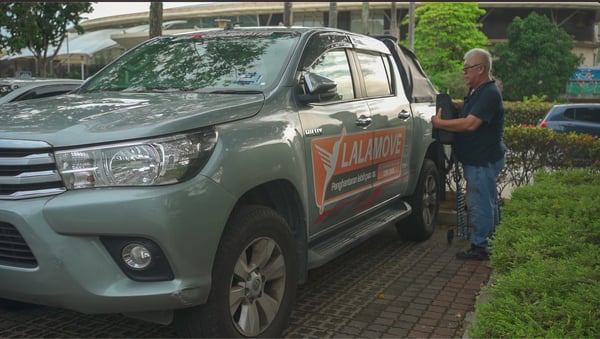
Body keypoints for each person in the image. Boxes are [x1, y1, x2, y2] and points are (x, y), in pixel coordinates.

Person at [431, 48, 505, 260]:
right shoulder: (480, 91)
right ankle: (492, 240)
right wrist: (457, 104)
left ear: (480, 69)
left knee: (480, 203)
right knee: (488, 201)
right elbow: (472, 108)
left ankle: (481, 247)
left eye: (466, 69)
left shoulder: (489, 93)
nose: (464, 73)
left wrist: (440, 123)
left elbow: (470, 124)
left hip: (482, 160)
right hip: (481, 159)